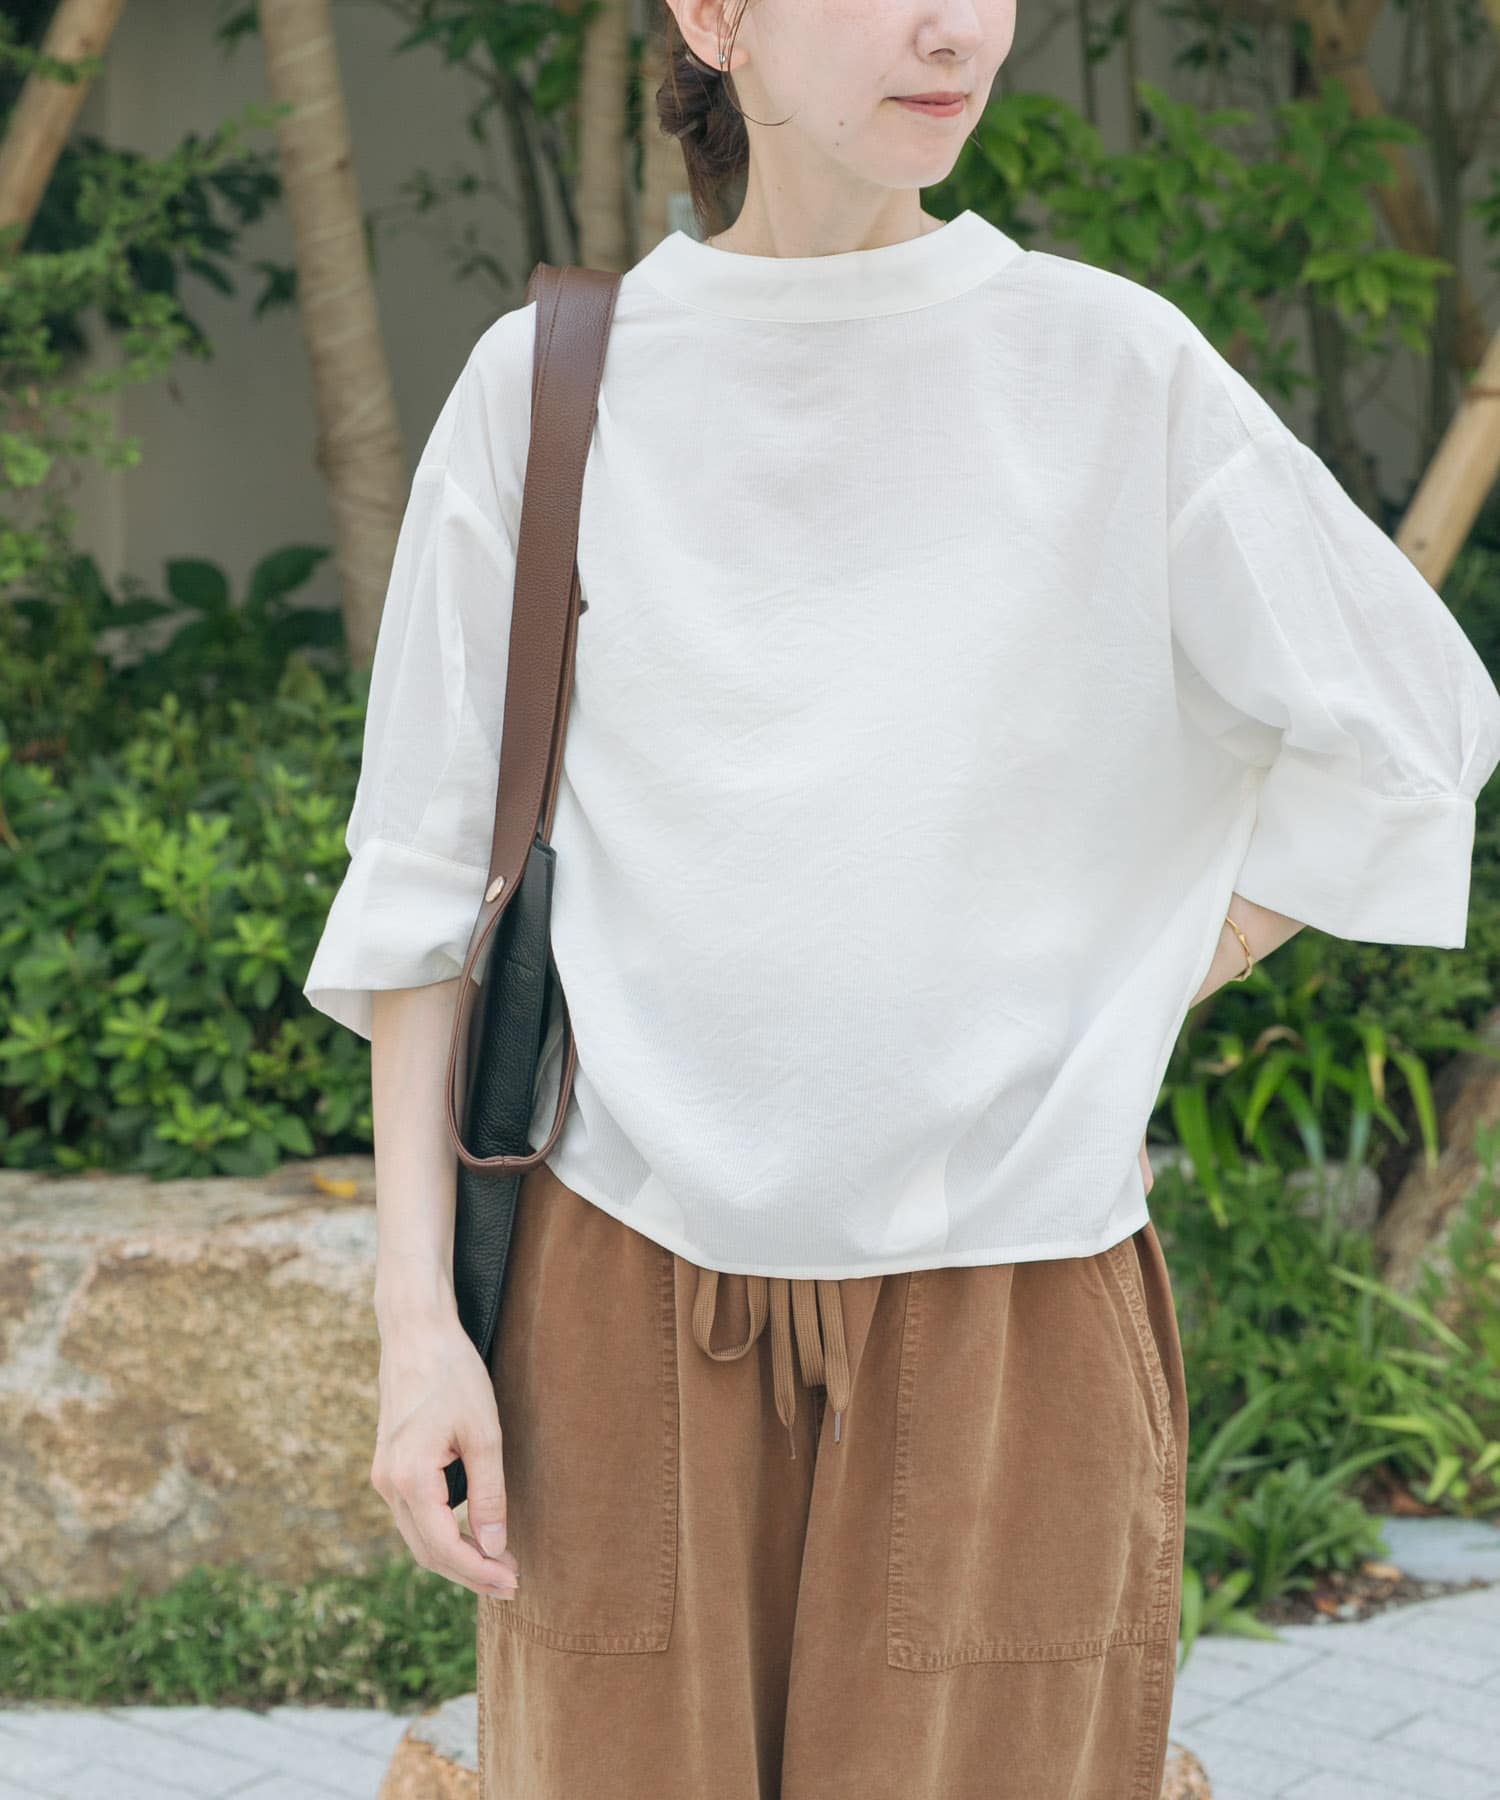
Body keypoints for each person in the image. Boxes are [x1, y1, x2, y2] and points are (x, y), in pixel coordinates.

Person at [301, 2, 1500, 1794]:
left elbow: (1413, 724)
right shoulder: (552, 387)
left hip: (1010, 1313)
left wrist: (1150, 969)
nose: (954, 28)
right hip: (618, 1304)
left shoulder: (1110, 369)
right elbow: (418, 883)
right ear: (717, 16)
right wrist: (419, 1334)